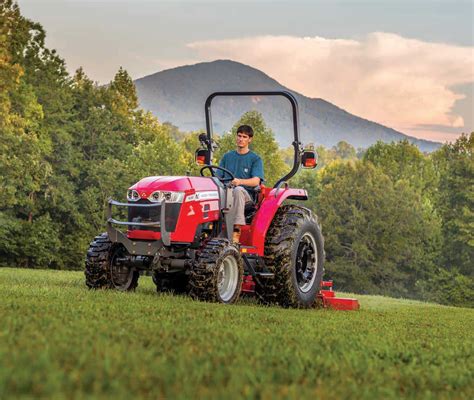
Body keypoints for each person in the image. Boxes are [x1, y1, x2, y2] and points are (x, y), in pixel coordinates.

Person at [218, 125, 264, 244]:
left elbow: (256, 181)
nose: (241, 139)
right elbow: (218, 177)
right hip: (227, 193)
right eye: (239, 136)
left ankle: (236, 232)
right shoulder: (227, 156)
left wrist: (240, 181)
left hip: (246, 197)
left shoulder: (255, 159)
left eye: (244, 137)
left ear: (250, 139)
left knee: (238, 190)